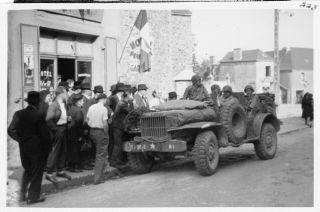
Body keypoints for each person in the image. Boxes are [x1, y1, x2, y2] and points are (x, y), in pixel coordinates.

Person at [8, 91, 51, 204]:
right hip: (37, 148)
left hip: (24, 147)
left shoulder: (19, 114)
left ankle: (21, 195)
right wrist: (49, 148)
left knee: (27, 170)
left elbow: (10, 130)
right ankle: (33, 197)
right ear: (38, 103)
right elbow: (44, 135)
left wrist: (20, 139)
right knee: (37, 172)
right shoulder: (39, 115)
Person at [45, 86, 72, 185]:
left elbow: (62, 116)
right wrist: (56, 130)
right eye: (65, 92)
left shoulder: (63, 104)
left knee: (63, 150)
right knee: (55, 151)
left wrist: (67, 119)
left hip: (64, 128)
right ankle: (49, 173)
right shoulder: (53, 105)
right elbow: (48, 120)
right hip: (58, 129)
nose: (67, 94)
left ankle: (60, 170)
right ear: (60, 94)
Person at [86, 93, 110, 185]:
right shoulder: (104, 109)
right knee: (100, 155)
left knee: (99, 154)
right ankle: (97, 179)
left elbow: (87, 120)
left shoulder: (91, 107)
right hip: (100, 132)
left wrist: (92, 125)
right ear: (104, 99)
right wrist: (106, 133)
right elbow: (105, 123)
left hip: (92, 131)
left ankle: (101, 176)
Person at [110, 91, 134, 167]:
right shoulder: (122, 104)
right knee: (118, 144)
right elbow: (131, 112)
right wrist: (131, 102)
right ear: (127, 96)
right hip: (118, 127)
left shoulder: (123, 103)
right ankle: (114, 162)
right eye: (130, 95)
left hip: (119, 126)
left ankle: (118, 161)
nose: (131, 96)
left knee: (119, 144)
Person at [67, 94, 84, 172]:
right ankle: (75, 167)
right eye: (82, 101)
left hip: (70, 132)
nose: (83, 102)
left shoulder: (71, 109)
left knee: (71, 149)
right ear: (79, 102)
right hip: (75, 133)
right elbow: (79, 123)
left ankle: (70, 165)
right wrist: (80, 135)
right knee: (76, 150)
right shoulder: (78, 111)